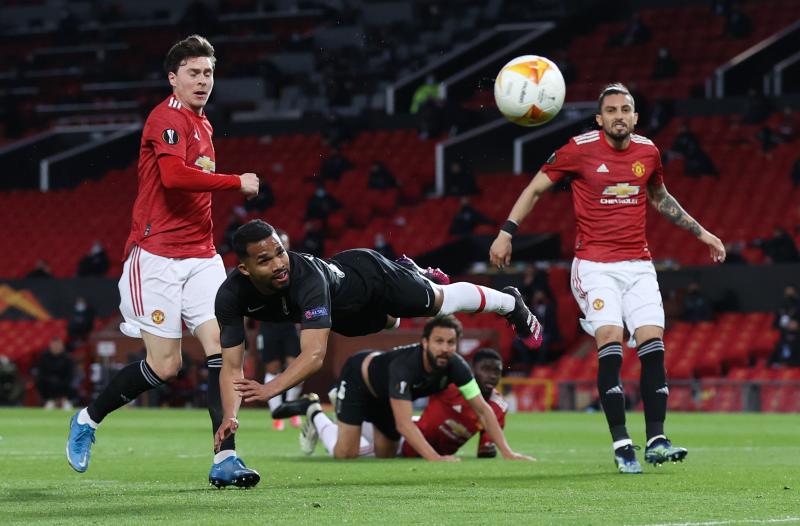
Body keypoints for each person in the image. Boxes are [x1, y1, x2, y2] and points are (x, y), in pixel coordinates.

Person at [489, 83, 726, 474]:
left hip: (639, 266)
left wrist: (703, 233)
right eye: (612, 110)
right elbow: (535, 188)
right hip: (595, 266)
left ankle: (656, 440)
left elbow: (661, 197)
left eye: (626, 109)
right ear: (600, 119)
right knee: (610, 339)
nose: (619, 115)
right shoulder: (578, 149)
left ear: (635, 116)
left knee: (653, 341)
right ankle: (621, 443)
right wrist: (507, 231)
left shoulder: (648, 152)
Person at [66, 35, 262, 488]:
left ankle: (225, 457)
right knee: (165, 366)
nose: (202, 81)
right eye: (193, 72)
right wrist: (237, 182)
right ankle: (87, 419)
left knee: (225, 349)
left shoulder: (204, 124)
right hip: (154, 257)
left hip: (201, 257)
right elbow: (174, 178)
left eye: (208, 73)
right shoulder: (165, 118)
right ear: (173, 78)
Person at [212, 219, 543, 452]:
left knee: (438, 304)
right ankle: (414, 273)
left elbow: (314, 355)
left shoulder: (305, 279)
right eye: (265, 260)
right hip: (347, 317)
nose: (279, 264)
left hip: (372, 277)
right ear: (244, 269)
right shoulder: (230, 297)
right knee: (391, 323)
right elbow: (231, 367)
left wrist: (271, 389)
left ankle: (509, 301)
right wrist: (230, 416)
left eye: (280, 252)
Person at [274, 318, 530, 461]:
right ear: (425, 342)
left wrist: (508, 453)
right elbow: (405, 424)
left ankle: (338, 421)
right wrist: (434, 458)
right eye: (439, 341)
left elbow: (484, 411)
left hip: (386, 396)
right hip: (359, 381)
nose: (445, 348)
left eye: (451, 342)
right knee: (346, 454)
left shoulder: (457, 366)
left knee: (385, 456)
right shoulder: (406, 366)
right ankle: (314, 410)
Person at [259, 229, 303, 431]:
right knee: (273, 369)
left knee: (296, 367)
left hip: (289, 324)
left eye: (284, 244)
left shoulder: (295, 267)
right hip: (268, 324)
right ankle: (277, 414)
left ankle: (291, 410)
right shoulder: (262, 267)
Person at [34, 337, 76, 409]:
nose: (56, 347)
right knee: (41, 381)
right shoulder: (44, 357)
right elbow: (41, 373)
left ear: (62, 347)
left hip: (64, 384)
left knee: (71, 382)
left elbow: (71, 374)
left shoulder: (67, 358)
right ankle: (50, 400)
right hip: (48, 384)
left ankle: (64, 401)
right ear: (50, 346)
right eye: (54, 345)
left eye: (58, 345)